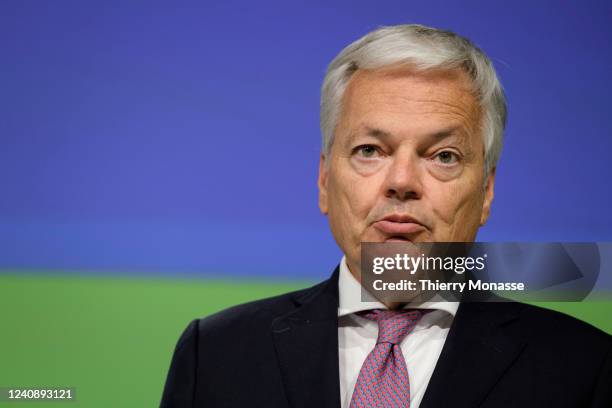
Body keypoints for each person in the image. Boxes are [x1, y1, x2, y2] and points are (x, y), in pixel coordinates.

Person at [160, 24, 611, 407]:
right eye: (370, 150)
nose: (402, 180)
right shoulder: (215, 354)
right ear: (323, 180)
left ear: (487, 190)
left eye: (444, 156)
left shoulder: (585, 369)